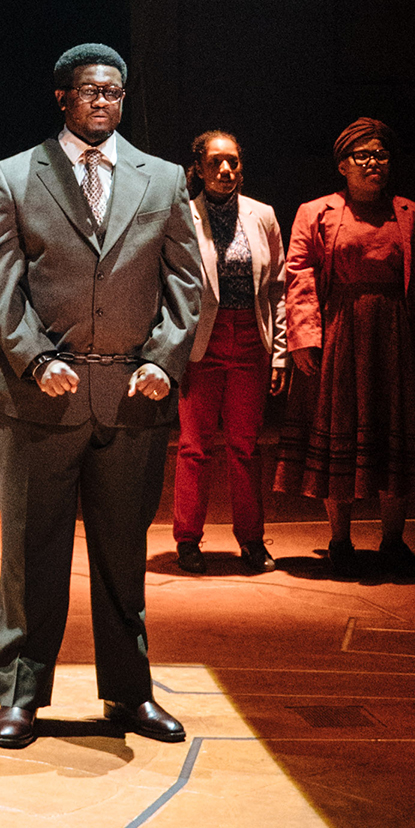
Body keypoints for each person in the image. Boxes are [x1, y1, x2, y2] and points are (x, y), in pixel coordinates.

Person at [0, 44, 199, 750]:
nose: (102, 102)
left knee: (122, 556)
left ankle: (128, 696)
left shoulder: (162, 181)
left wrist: (164, 358)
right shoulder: (15, 176)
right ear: (63, 97)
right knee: (31, 556)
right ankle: (20, 697)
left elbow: (187, 284)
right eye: (89, 91)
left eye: (114, 91)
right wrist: (34, 357)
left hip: (131, 398)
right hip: (42, 396)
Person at [273, 118, 415, 578]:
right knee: (342, 432)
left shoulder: (413, 214)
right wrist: (303, 339)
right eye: (363, 155)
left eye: (381, 155)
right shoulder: (315, 212)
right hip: (340, 336)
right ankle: (340, 541)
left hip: (396, 337)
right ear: (342, 165)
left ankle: (393, 540)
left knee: (395, 436)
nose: (374, 163)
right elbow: (299, 274)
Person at [171, 131, 287, 574]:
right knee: (194, 446)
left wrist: (279, 354)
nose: (226, 170)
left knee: (245, 446)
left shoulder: (263, 215)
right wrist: (173, 353)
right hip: (203, 342)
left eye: (234, 162)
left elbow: (277, 288)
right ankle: (187, 540)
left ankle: (252, 541)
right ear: (198, 168)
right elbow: (170, 288)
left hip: (250, 341)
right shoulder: (182, 215)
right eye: (217, 162)